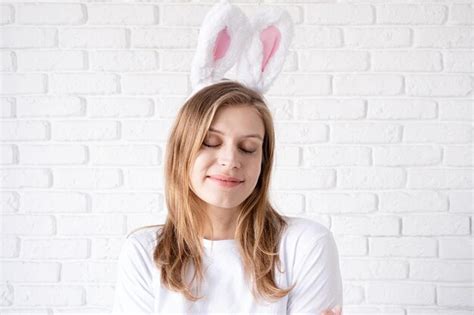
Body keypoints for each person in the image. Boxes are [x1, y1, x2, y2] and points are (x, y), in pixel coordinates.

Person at [111, 80, 343, 314]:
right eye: (210, 142)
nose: (230, 160)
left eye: (248, 148)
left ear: (263, 162)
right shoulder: (144, 252)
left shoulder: (305, 245)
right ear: (182, 151)